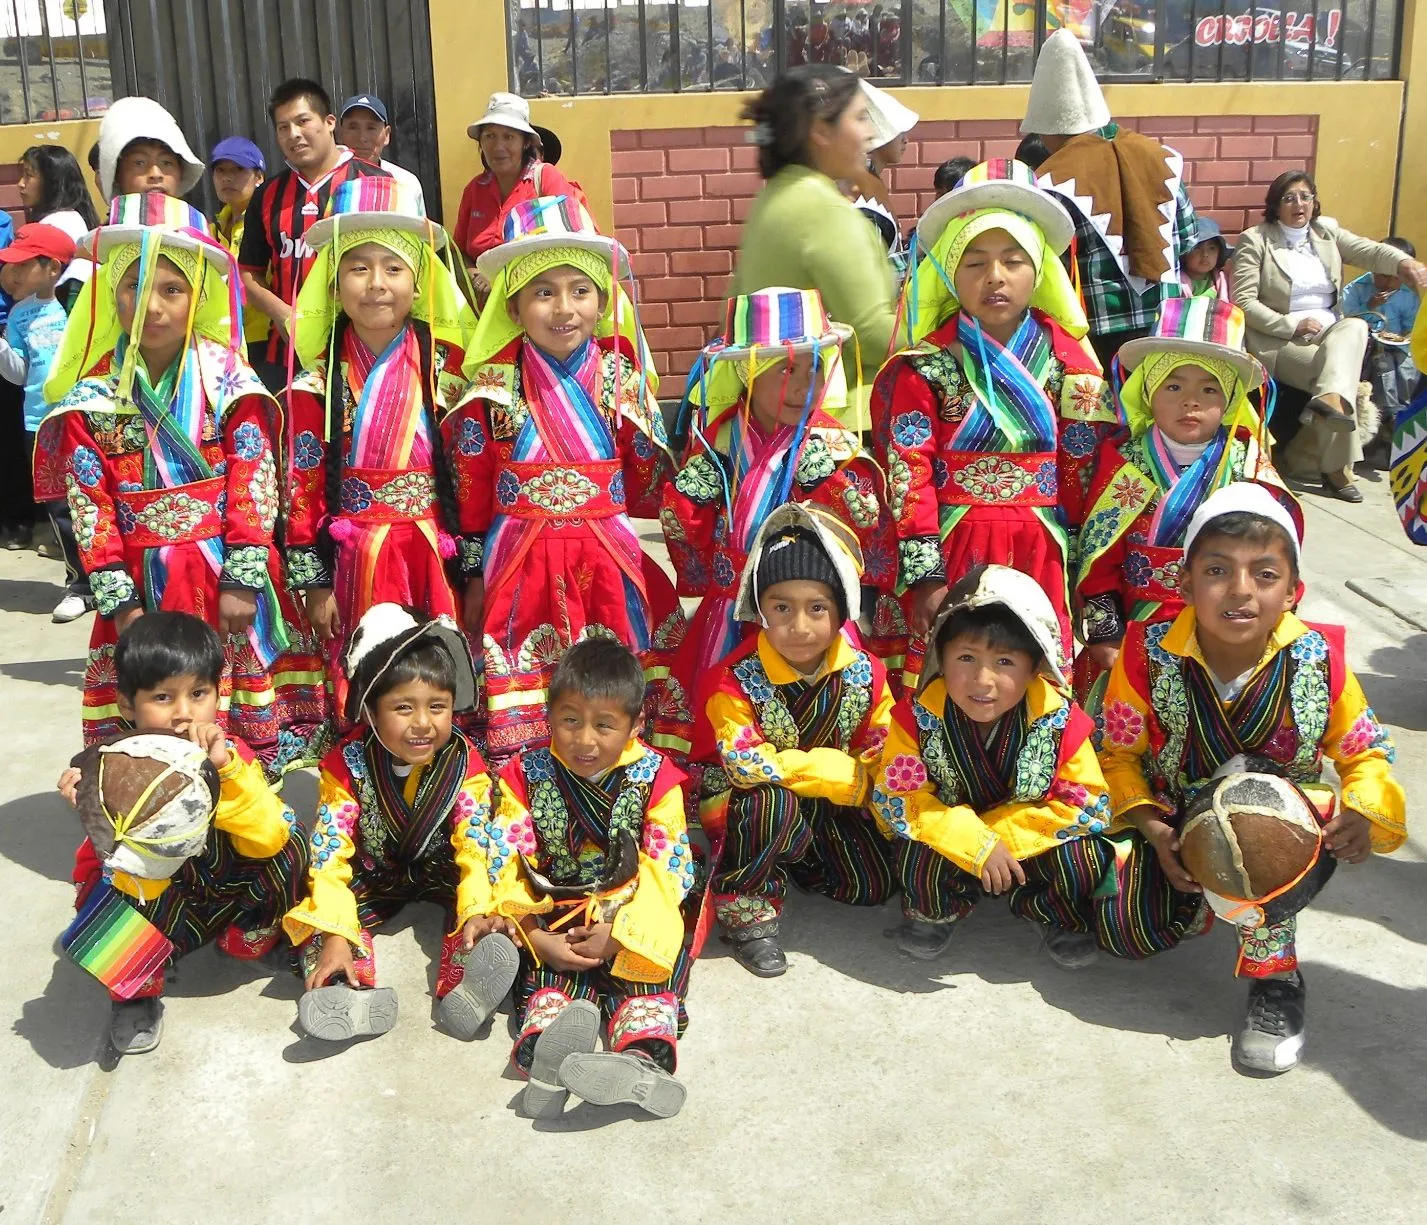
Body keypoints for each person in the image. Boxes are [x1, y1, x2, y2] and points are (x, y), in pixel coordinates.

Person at [1093, 483, 1405, 1073]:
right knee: (1127, 933)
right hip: (1175, 814)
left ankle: (1278, 984)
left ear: (1293, 592)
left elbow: (1367, 753)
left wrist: (1361, 812)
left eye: (1265, 575)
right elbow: (1117, 753)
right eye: (1217, 571)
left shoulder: (1318, 659)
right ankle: (1202, 899)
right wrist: (1152, 830)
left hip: (1276, 823)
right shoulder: (1147, 653)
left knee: (1261, 857)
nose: (1240, 591)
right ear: (1184, 585)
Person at [33, 193, 328, 778]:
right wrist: (121, 606)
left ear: (197, 296)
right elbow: (89, 506)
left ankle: (243, 833)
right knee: (157, 719)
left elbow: (253, 476)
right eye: (133, 288)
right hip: (143, 582)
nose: (152, 306)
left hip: (224, 579)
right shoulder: (91, 399)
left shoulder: (227, 378)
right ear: (109, 294)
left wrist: (244, 576)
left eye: (172, 289)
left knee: (235, 724)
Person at [447, 196, 686, 765]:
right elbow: (472, 492)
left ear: (603, 301)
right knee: (524, 687)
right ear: (513, 304)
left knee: (613, 689)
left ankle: (621, 789)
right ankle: (528, 790)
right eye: (542, 292)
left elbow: (647, 474)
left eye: (580, 290)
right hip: (520, 561)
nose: (564, 308)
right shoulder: (492, 390)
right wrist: (474, 573)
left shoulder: (621, 379)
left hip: (607, 556)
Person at [872, 159, 1113, 693]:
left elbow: (1087, 471)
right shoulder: (925, 366)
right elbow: (909, 470)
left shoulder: (1073, 364)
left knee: (1030, 675)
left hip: (1043, 544)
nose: (995, 277)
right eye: (975, 262)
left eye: (1013, 260)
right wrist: (926, 573)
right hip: (957, 539)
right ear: (951, 275)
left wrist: (1088, 572)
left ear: (1040, 271)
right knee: (955, 673)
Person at [57, 611, 309, 1055]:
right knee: (105, 888)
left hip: (221, 888)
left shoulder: (228, 753)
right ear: (128, 705)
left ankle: (246, 935)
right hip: (161, 898)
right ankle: (136, 991)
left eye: (198, 693)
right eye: (162, 696)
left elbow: (267, 836)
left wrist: (224, 772)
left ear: (219, 694)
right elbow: (103, 860)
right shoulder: (112, 765)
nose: (183, 713)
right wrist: (88, 808)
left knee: (290, 838)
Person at [284, 178, 475, 715]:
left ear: (419, 284)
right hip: (354, 558)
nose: (376, 284)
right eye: (358, 267)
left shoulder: (446, 372)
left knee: (436, 683)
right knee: (366, 679)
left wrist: (475, 565)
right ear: (334, 283)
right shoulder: (316, 384)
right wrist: (314, 577)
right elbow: (302, 482)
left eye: (394, 268)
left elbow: (466, 470)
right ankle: (365, 782)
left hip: (429, 553)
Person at [285, 604, 513, 1043]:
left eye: (437, 707)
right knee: (320, 909)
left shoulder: (466, 764)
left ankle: (467, 988)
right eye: (403, 707)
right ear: (370, 709)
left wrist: (475, 909)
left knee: (490, 903)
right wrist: (335, 930)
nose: (423, 724)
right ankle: (343, 989)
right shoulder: (346, 764)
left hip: (444, 871)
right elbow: (331, 852)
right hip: (374, 872)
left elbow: (474, 844)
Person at [488, 638, 694, 1119]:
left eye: (605, 725)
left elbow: (668, 870)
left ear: (635, 724)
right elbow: (509, 857)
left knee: (647, 974)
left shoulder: (658, 779)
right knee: (550, 984)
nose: (585, 740)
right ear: (549, 715)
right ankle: (548, 1060)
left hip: (632, 911)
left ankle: (640, 1062)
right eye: (570, 721)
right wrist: (535, 937)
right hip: (555, 913)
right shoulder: (525, 774)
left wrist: (621, 936)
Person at [662, 286, 895, 707]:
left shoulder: (830, 445)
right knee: (725, 707)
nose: (806, 386)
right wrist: (687, 502)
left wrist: (833, 487)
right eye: (787, 371)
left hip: (806, 609)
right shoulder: (720, 438)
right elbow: (687, 526)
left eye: (816, 369)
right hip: (732, 609)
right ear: (748, 375)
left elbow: (862, 529)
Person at [694, 504, 896, 977]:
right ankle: (748, 908)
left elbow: (885, 743)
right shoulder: (734, 679)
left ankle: (789, 861)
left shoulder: (867, 674)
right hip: (751, 802)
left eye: (817, 608)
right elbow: (743, 762)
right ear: (761, 609)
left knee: (871, 886)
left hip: (831, 801)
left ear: (842, 611)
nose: (799, 627)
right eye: (782, 608)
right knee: (771, 805)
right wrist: (830, 770)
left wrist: (868, 770)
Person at [871, 565, 1109, 964]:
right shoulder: (917, 718)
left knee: (1083, 854)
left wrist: (997, 840)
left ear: (1035, 668)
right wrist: (973, 844)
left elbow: (1088, 803)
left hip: (1023, 848)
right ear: (939, 659)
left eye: (1004, 662)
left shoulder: (1060, 722)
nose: (983, 681)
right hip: (951, 844)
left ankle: (1050, 910)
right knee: (915, 846)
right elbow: (897, 798)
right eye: (966, 657)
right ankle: (935, 909)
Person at [1074, 294, 1297, 702]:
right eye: (1173, 385)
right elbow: (1099, 555)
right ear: (1148, 392)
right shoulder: (1123, 460)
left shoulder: (1247, 463)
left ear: (1228, 401)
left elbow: (1277, 555)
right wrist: (1106, 631)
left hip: (1222, 626)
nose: (1190, 401)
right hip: (1135, 627)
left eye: (1209, 389)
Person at [1232, 171, 1427, 502]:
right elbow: (1244, 301)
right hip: (1280, 341)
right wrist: (1291, 325)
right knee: (1340, 376)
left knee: (1356, 327)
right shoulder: (1256, 239)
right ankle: (1335, 469)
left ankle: (1327, 406)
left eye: (1305, 197)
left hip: (1330, 338)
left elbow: (1372, 252)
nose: (1299, 204)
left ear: (1314, 202)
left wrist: (1406, 264)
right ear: (1275, 205)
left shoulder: (1326, 233)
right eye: (1289, 198)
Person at [1021, 30, 1200, 368]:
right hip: (1167, 322)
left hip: (1096, 331)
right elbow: (1188, 238)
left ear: (1047, 129)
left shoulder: (1049, 179)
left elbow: (1046, 266)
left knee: (1104, 416)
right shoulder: (1163, 158)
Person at [732, 65, 895, 427]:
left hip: (773, 416)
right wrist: (950, 328)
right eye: (861, 118)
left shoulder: (774, 199)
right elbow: (869, 334)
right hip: (840, 423)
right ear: (822, 130)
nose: (869, 133)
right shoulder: (824, 210)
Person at [239, 78, 392, 377]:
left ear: (330, 122)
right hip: (285, 356)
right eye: (283, 127)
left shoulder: (377, 184)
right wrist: (283, 316)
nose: (294, 134)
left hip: (365, 352)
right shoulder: (267, 194)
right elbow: (248, 272)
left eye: (302, 121)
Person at [0, 223, 91, 619]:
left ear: (53, 268)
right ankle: (81, 583)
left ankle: (117, 577)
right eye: (11, 265)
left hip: (83, 415)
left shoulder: (78, 304)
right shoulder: (19, 313)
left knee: (94, 499)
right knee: (58, 506)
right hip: (38, 422)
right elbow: (18, 373)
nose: (13, 274)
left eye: (23, 265)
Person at [451, 91, 571, 286]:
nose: (498, 147)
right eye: (490, 136)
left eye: (509, 137)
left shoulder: (546, 178)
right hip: (482, 312)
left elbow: (566, 245)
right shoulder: (474, 189)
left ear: (525, 143)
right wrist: (472, 273)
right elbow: (458, 251)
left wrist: (499, 278)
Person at [1341, 235, 1420, 457]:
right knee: (1382, 364)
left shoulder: (1408, 294)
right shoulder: (1357, 288)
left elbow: (1410, 325)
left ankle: (1397, 416)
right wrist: (1370, 305)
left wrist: (1403, 335)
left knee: (1406, 367)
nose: (1385, 283)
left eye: (1392, 278)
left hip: (1397, 345)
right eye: (1381, 275)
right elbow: (1346, 319)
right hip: (1366, 343)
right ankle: (1390, 416)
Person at [208, 136, 271, 372]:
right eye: (220, 170)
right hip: (221, 340)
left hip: (261, 339)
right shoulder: (211, 228)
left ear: (259, 177)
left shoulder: (267, 225)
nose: (227, 177)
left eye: (238, 170)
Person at [16, 143, 99, 303]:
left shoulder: (56, 225)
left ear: (51, 182)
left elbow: (25, 286)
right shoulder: (72, 218)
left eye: (28, 175)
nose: (21, 183)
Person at [95, 95, 204, 201]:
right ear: (117, 175)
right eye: (139, 163)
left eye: (166, 162)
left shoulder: (198, 220)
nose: (156, 174)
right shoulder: (114, 220)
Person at [336, 94, 426, 215]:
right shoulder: (329, 181)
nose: (362, 138)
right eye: (353, 127)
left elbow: (419, 230)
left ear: (387, 135)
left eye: (371, 128)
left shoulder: (407, 183)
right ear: (340, 133)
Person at [1180, 217, 1232, 301]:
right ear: (1184, 254)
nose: (1205, 254)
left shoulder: (1222, 281)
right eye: (1197, 248)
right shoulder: (1176, 284)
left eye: (1211, 248)